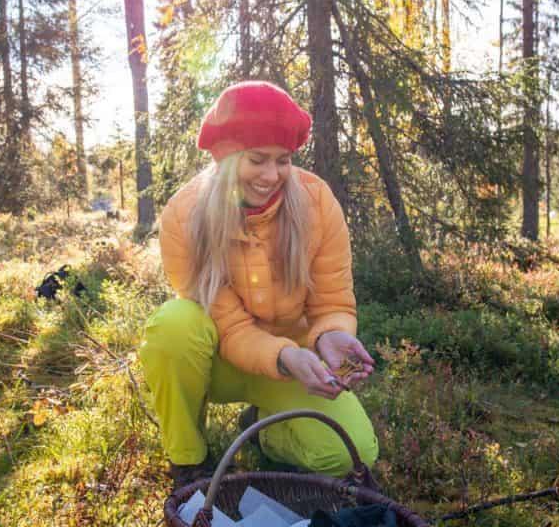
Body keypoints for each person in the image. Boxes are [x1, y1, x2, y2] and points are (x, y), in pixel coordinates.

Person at [139, 80, 379, 488]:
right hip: (220, 360)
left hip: (296, 365)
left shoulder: (317, 202)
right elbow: (229, 326)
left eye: (283, 160)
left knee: (349, 452)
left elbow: (333, 299)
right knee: (174, 327)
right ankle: (189, 462)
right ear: (228, 157)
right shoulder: (184, 214)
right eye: (257, 160)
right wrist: (285, 355)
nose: (273, 175)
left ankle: (267, 428)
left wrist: (331, 337)